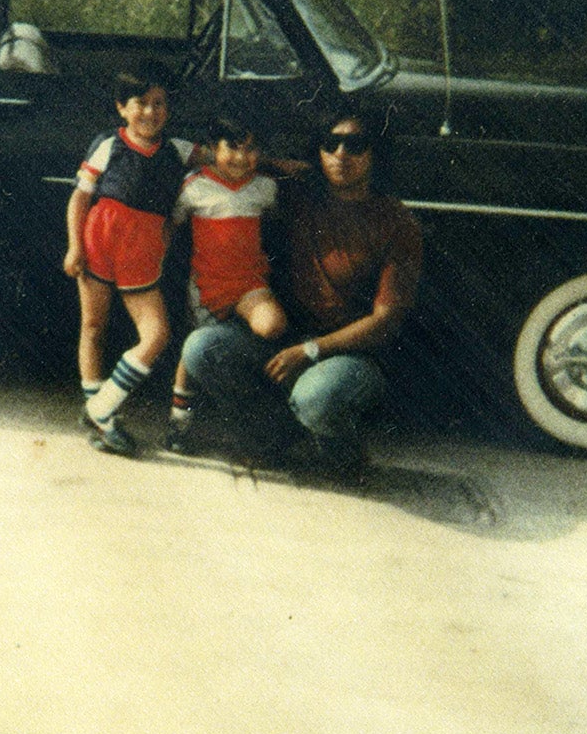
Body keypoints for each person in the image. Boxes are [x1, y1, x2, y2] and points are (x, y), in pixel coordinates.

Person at [178, 109, 422, 475]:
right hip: (289, 337)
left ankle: (343, 454)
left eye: (355, 145)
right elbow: (242, 162)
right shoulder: (300, 196)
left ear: (375, 153)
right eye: (331, 143)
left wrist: (311, 350)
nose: (341, 154)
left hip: (353, 355)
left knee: (315, 398)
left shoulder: (397, 221)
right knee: (202, 348)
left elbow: (385, 321)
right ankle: (272, 436)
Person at [63, 62, 197, 455]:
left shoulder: (178, 150)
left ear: (168, 111)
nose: (151, 112)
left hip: (143, 250)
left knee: (156, 334)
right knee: (93, 327)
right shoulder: (110, 144)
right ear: (123, 108)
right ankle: (105, 422)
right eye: (141, 103)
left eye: (159, 104)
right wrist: (75, 246)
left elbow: (227, 158)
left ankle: (99, 406)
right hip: (99, 240)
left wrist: (278, 166)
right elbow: (80, 197)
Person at [165, 114, 290, 451]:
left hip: (250, 282)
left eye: (250, 149)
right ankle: (180, 422)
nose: (241, 158)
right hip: (207, 283)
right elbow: (170, 225)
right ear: (211, 149)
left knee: (272, 325)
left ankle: (260, 403)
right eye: (232, 148)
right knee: (193, 351)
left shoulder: (265, 187)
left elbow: (275, 222)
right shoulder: (195, 185)